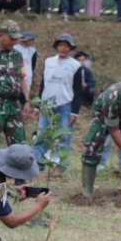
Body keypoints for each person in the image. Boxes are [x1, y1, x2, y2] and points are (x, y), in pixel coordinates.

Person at [32, 34, 81, 165]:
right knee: (41, 134)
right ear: (56, 46)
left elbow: (78, 90)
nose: (63, 48)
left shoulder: (75, 65)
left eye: (66, 46)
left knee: (64, 136)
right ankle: (37, 164)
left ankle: (60, 165)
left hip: (65, 105)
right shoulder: (49, 62)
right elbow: (43, 84)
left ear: (71, 48)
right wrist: (37, 106)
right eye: (60, 45)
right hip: (46, 104)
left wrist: (75, 112)